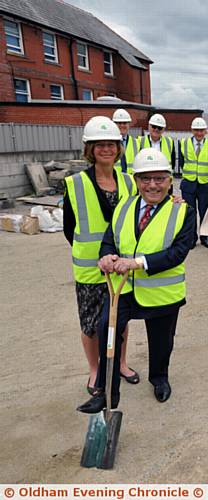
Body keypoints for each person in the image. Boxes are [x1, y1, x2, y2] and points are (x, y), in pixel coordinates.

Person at [76, 148, 196, 413]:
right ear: (137, 180)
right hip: (124, 289)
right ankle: (106, 393)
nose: (152, 185)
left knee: (162, 338)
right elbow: (111, 238)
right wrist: (106, 255)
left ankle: (159, 378)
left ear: (169, 180)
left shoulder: (182, 211)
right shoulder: (125, 205)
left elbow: (178, 252)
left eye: (159, 178)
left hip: (162, 293)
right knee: (108, 329)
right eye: (145, 179)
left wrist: (137, 263)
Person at [63, 116, 139, 398]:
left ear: (119, 148)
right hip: (90, 268)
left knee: (120, 319)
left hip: (121, 267)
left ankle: (120, 363)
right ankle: (95, 370)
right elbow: (69, 229)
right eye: (100, 144)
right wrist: (96, 254)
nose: (106, 149)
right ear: (90, 149)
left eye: (111, 144)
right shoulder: (75, 183)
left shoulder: (130, 182)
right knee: (91, 323)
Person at [178, 117, 208, 248]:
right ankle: (192, 238)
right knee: (190, 212)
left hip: (204, 183)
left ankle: (204, 237)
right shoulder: (183, 143)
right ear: (192, 130)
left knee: (204, 211)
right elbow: (182, 162)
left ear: (205, 131)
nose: (199, 133)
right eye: (196, 130)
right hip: (189, 183)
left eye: (201, 130)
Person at [112, 108, 138, 174]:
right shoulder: (108, 143)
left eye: (124, 123)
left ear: (129, 124)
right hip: (114, 181)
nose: (122, 125)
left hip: (131, 181)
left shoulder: (137, 143)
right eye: (119, 123)